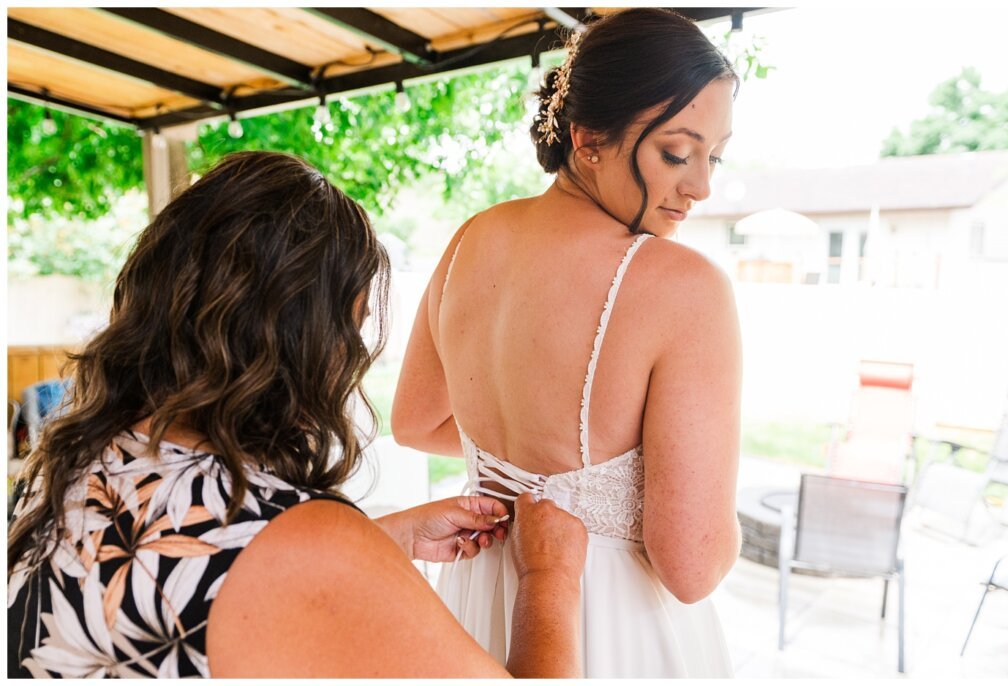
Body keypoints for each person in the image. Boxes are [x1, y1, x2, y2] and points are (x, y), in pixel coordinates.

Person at [6, 151, 590, 678]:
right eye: (354, 327)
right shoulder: (306, 544)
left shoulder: (62, 469)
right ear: (304, 343)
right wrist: (548, 579)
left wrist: (382, 541)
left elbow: (189, 577)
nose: (356, 356)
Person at [392, 8, 742, 678]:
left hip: (478, 594)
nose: (701, 186)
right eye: (677, 152)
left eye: (714, 155)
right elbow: (691, 566)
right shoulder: (684, 288)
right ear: (588, 137)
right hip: (604, 622)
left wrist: (529, 465)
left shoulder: (472, 239)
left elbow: (417, 422)